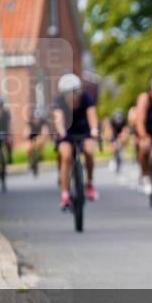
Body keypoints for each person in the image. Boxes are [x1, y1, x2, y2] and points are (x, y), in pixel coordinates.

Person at [52, 73, 99, 208]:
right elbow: (58, 118)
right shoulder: (59, 101)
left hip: (83, 130)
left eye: (74, 93)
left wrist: (94, 130)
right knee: (66, 156)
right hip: (66, 131)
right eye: (68, 93)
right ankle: (65, 194)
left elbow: (92, 115)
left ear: (79, 91)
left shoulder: (86, 98)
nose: (72, 97)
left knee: (89, 151)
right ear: (63, 94)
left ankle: (89, 183)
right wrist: (61, 133)